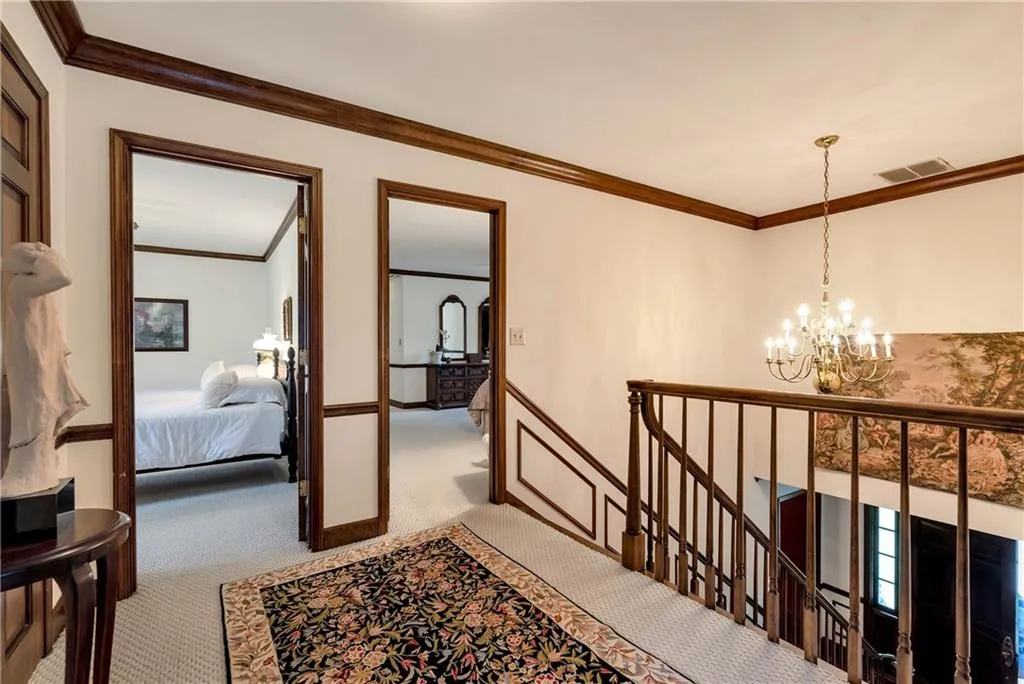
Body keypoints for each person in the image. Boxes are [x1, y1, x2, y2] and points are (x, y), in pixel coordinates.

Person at [1, 243, 88, 497]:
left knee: (34, 410)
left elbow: (63, 275)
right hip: (30, 359)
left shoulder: (25, 285)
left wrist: (9, 264)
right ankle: (30, 469)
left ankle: (31, 470)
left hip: (34, 360)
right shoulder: (24, 285)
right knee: (32, 411)